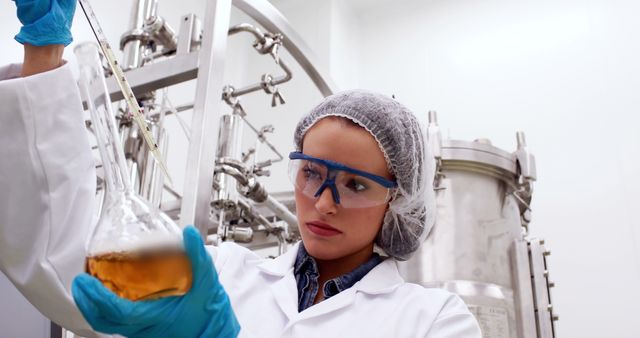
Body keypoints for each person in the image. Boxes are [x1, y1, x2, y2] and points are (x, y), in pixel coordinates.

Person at [0, 1, 482, 337]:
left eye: (355, 184)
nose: (324, 201)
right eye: (312, 172)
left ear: (396, 200)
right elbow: (69, 274)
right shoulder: (221, 271)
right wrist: (43, 54)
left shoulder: (435, 322)